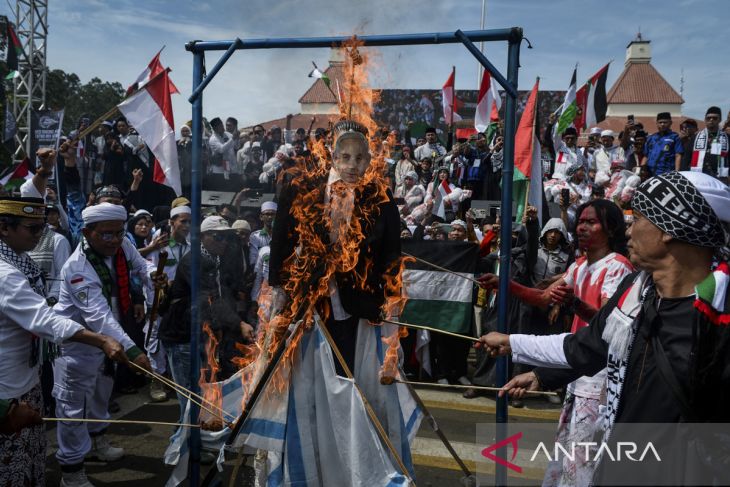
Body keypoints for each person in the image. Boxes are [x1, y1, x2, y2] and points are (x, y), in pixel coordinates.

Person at [480, 171, 730, 486]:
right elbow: (590, 344)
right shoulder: (635, 291)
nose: (629, 230)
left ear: (670, 227)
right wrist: (520, 350)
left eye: (638, 219)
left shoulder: (719, 315)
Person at [480, 200, 635, 485]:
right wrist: (505, 285)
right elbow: (543, 297)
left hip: (598, 378)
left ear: (611, 229)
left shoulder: (617, 267)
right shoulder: (579, 266)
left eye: (591, 222)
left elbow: (606, 326)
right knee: (566, 456)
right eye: (581, 221)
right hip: (575, 374)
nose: (582, 227)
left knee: (582, 463)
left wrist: (575, 304)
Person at [0, 196, 128, 487]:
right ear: (5, 228)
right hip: (7, 385)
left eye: (42, 228)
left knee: (32, 458)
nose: (41, 235)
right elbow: (43, 318)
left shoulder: (20, 261)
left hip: (27, 375)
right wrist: (100, 339)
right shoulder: (5, 273)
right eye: (33, 229)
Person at [52, 203, 159, 487]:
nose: (114, 240)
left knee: (102, 394)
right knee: (72, 409)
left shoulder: (122, 245)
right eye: (106, 234)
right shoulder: (77, 267)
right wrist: (133, 350)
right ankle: (71, 471)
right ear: (87, 233)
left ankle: (98, 442)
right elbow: (98, 317)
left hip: (112, 338)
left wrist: (152, 274)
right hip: (78, 345)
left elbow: (141, 265)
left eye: (119, 233)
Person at [158, 215, 254, 459]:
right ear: (203, 237)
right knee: (189, 396)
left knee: (201, 392)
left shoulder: (217, 259)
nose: (224, 241)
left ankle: (190, 442)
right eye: (218, 236)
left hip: (201, 333)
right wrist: (239, 323)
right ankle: (183, 450)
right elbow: (210, 299)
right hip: (181, 335)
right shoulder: (193, 261)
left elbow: (225, 294)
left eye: (227, 237)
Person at [145, 205, 191, 402]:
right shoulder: (160, 242)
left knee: (174, 341)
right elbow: (147, 266)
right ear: (172, 222)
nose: (187, 226)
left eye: (190, 222)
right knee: (155, 341)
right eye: (183, 221)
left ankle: (172, 379)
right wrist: (156, 278)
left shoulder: (191, 246)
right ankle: (157, 380)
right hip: (160, 301)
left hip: (180, 304)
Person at [682, 106, 728, 182]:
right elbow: (686, 158)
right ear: (705, 120)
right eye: (708, 118)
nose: (711, 120)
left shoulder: (727, 138)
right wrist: (684, 177)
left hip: (720, 178)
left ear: (719, 120)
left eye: (714, 118)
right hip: (699, 177)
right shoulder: (695, 137)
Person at [207, 117, 238, 191]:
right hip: (219, 171)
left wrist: (236, 139)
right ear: (215, 128)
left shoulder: (228, 135)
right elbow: (221, 149)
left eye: (222, 125)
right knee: (223, 193)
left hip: (232, 169)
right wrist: (232, 139)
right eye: (220, 126)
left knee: (233, 192)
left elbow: (236, 146)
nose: (223, 127)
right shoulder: (213, 139)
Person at [249, 201, 276, 268]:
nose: (270, 217)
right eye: (267, 214)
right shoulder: (255, 236)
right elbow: (253, 260)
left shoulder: (283, 236)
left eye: (273, 214)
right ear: (261, 217)